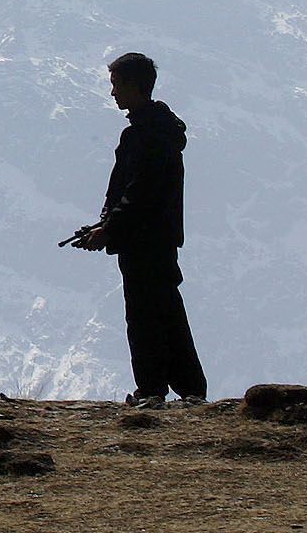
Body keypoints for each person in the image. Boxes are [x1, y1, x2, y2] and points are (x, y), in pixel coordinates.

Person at [70, 52, 207, 407]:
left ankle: (152, 389)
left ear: (134, 86)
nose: (113, 93)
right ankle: (189, 387)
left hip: (144, 240)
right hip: (156, 239)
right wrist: (107, 224)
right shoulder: (157, 132)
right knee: (165, 310)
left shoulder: (146, 136)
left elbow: (139, 191)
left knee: (145, 315)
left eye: (117, 85)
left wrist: (109, 227)